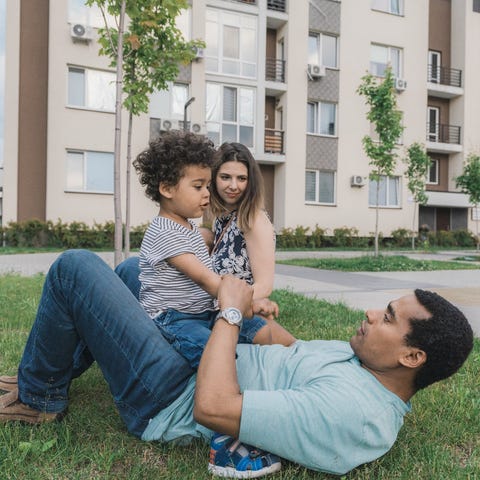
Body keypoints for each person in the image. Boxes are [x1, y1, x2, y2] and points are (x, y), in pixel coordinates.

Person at [0, 250, 474, 476]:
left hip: (171, 395)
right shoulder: (368, 363)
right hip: (202, 357)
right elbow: (294, 351)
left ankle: (39, 399)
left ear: (411, 356)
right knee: (133, 273)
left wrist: (228, 313)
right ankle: (45, 374)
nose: (372, 313)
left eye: (388, 317)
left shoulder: (355, 414)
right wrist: (249, 315)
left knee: (75, 269)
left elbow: (213, 405)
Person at [132, 130, 286, 477]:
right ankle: (225, 444)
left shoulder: (187, 227)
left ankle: (272, 388)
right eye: (201, 185)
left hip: (202, 310)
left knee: (240, 341)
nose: (209, 192)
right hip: (174, 318)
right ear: (167, 189)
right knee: (212, 352)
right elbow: (209, 280)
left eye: (207, 185)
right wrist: (248, 303)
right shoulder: (164, 231)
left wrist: (249, 302)